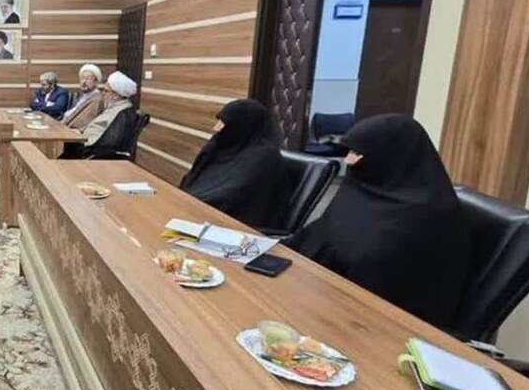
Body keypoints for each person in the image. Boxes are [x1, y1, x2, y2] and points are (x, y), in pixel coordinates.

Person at [285, 114, 472, 329]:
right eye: (350, 152)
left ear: (391, 157)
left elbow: (380, 280)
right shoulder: (364, 188)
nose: (348, 160)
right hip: (327, 296)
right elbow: (323, 234)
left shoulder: (428, 216)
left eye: (358, 154)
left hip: (386, 325)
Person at [179, 100, 290, 229]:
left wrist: (189, 203)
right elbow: (191, 179)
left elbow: (231, 196)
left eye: (224, 123)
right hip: (194, 213)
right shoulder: (219, 146)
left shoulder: (264, 157)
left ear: (243, 126)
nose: (216, 128)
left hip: (233, 227)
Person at [64, 71, 138, 158]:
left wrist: (81, 137)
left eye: (106, 91)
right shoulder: (113, 106)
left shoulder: (123, 112)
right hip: (85, 141)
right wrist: (80, 132)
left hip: (92, 149)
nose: (103, 93)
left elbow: (111, 141)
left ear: (116, 95)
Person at [62, 64, 105, 130]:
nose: (84, 82)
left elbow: (82, 122)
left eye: (88, 79)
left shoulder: (97, 99)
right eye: (82, 78)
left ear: (96, 82)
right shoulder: (84, 95)